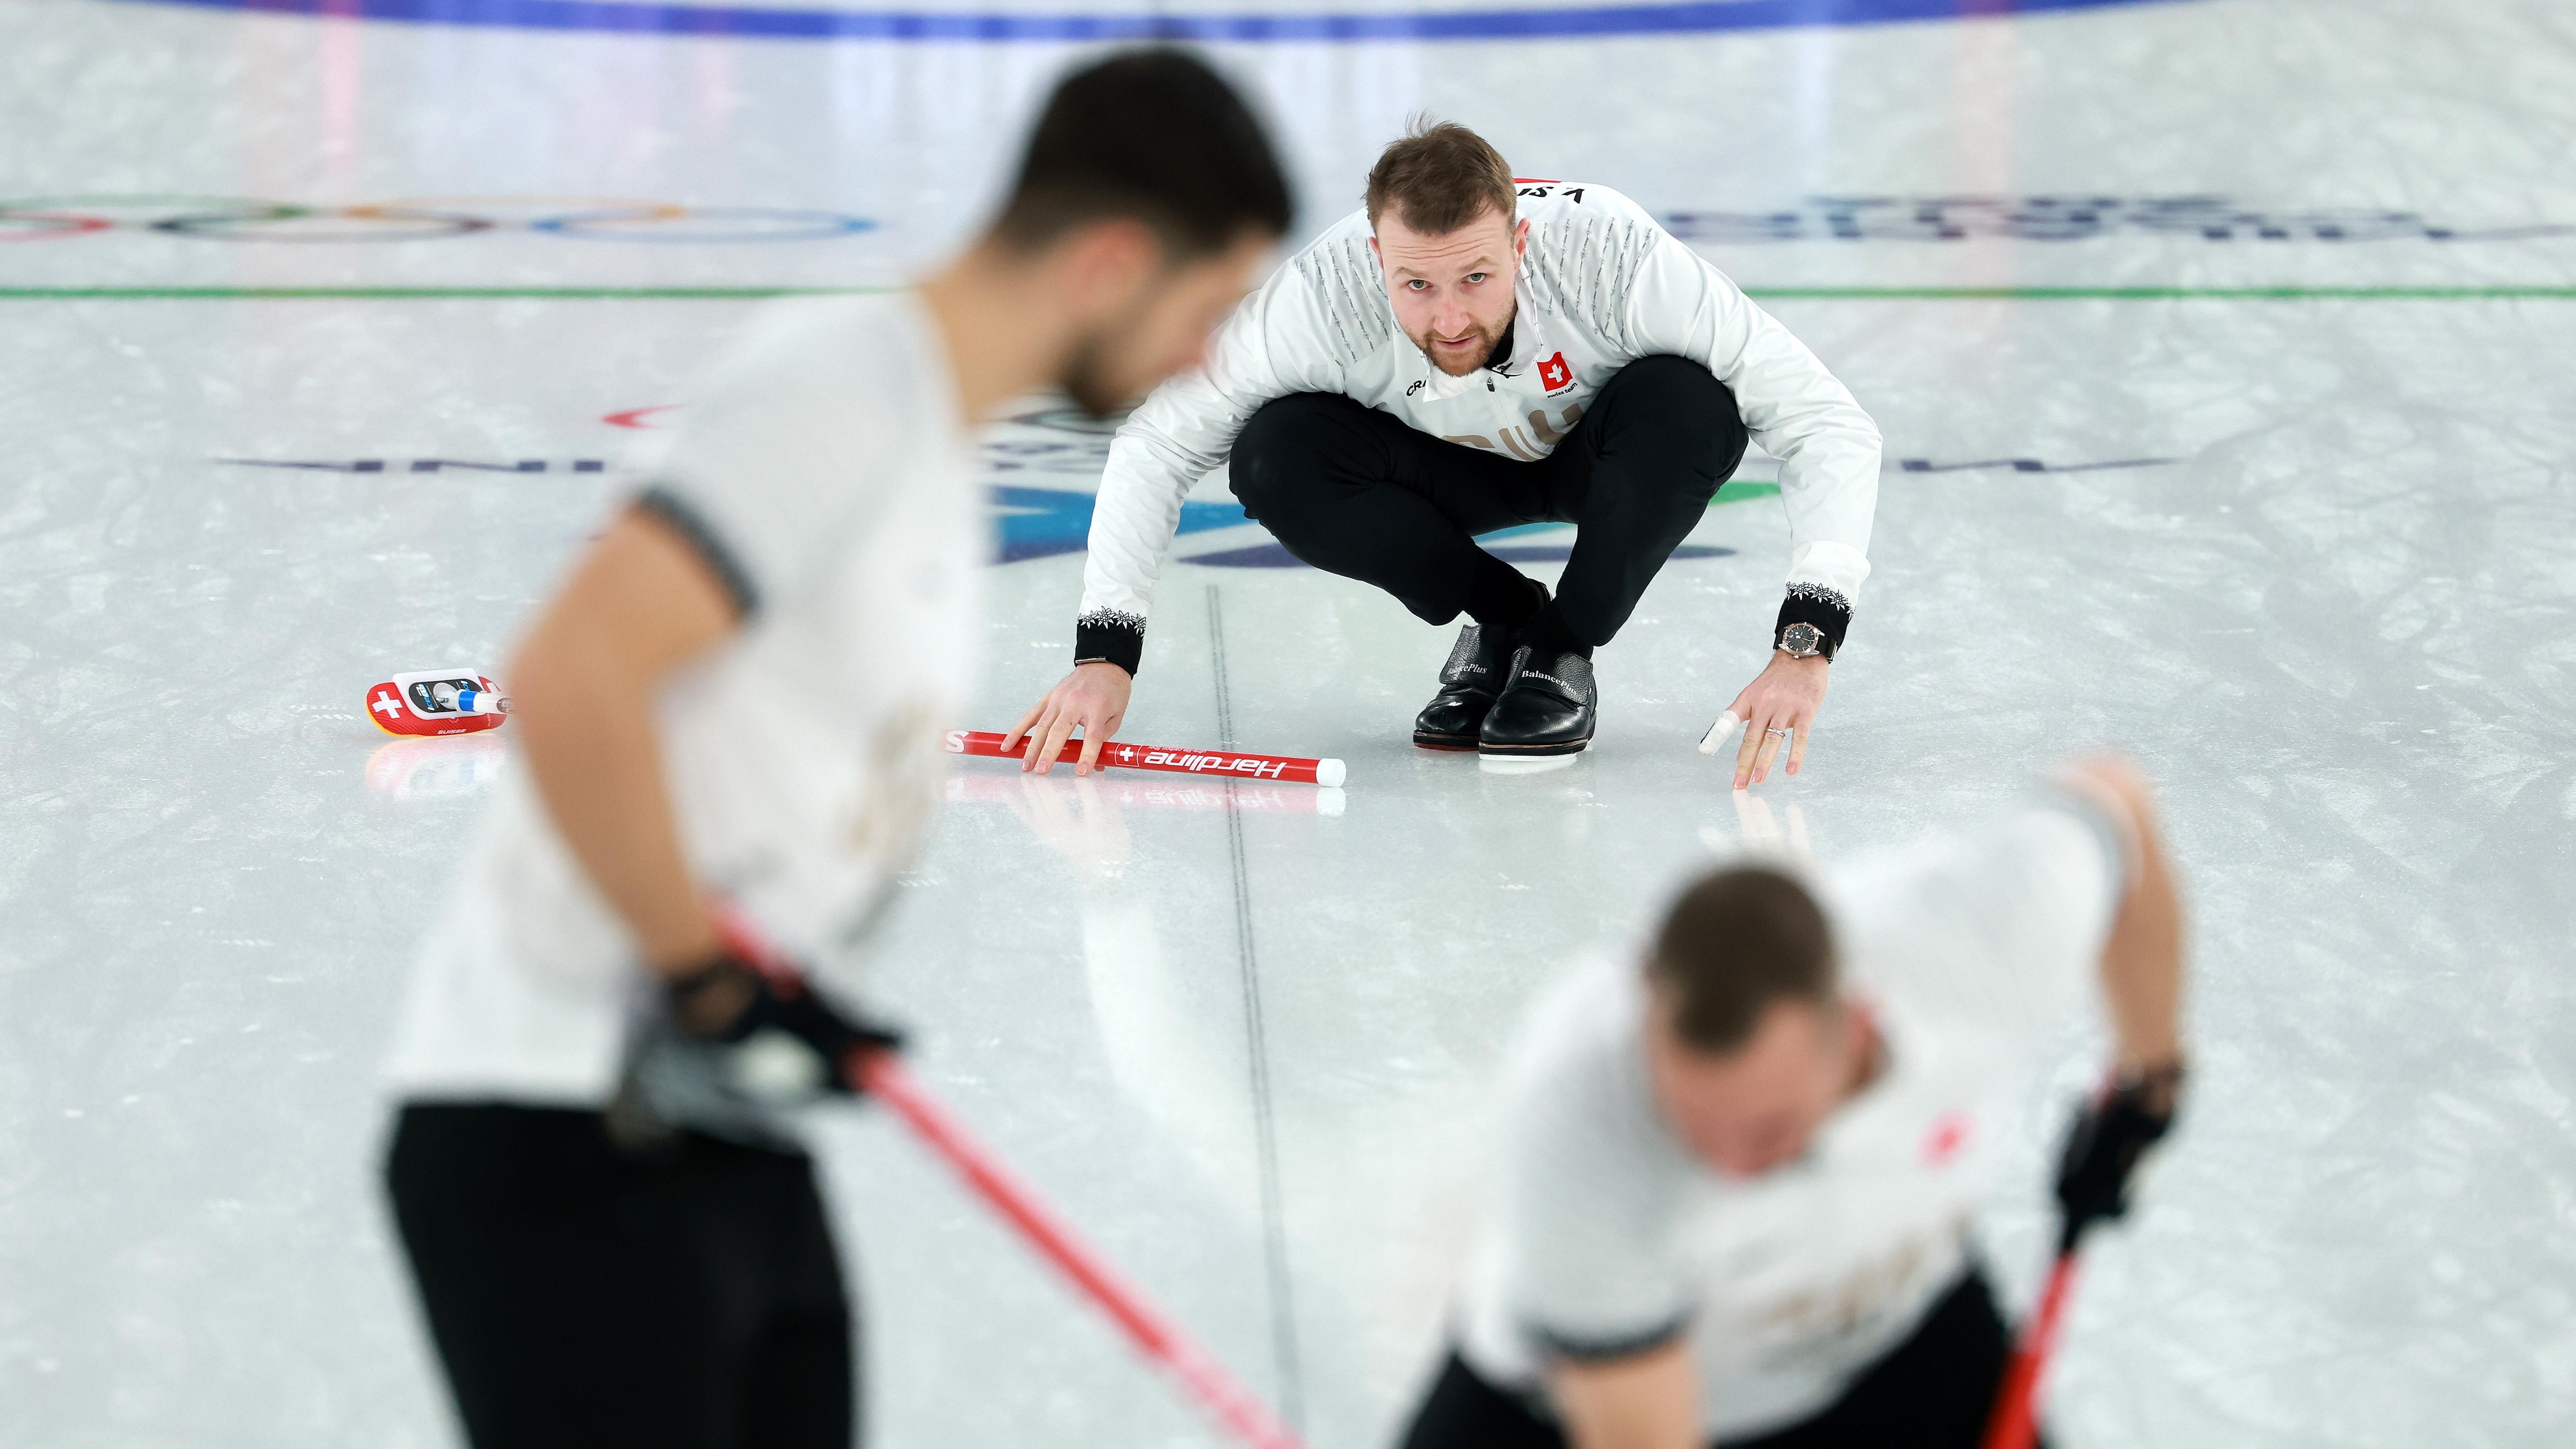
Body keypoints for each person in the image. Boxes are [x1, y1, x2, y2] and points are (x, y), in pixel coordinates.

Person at [376, 50, 1291, 1449]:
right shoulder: (844, 389)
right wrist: (703, 974)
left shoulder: (925, 434)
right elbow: (570, 678)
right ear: (1111, 260)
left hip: (714, 1118)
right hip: (559, 1120)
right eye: (1210, 306)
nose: (1208, 361)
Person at [1008, 119, 1879, 778]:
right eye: (1415, 285)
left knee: (1695, 402)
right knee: (1276, 454)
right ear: (1374, 253)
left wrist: (1805, 647)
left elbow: (1827, 422)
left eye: (1477, 278)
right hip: (1441, 469)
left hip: (1602, 456)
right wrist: (1103, 659)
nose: (1450, 319)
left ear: (1522, 244)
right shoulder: (1321, 294)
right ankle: (1504, 619)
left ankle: (1560, 646)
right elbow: (1158, 442)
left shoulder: (1612, 256)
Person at [1399, 759, 2190, 1449]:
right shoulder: (1584, 1115)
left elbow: (2115, 805)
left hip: (1890, 1333)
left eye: (1767, 1131)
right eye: (1695, 1133)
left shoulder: (1971, 939)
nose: (1732, 1171)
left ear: (1855, 1027)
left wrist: (2149, 1082)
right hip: (1566, 1407)